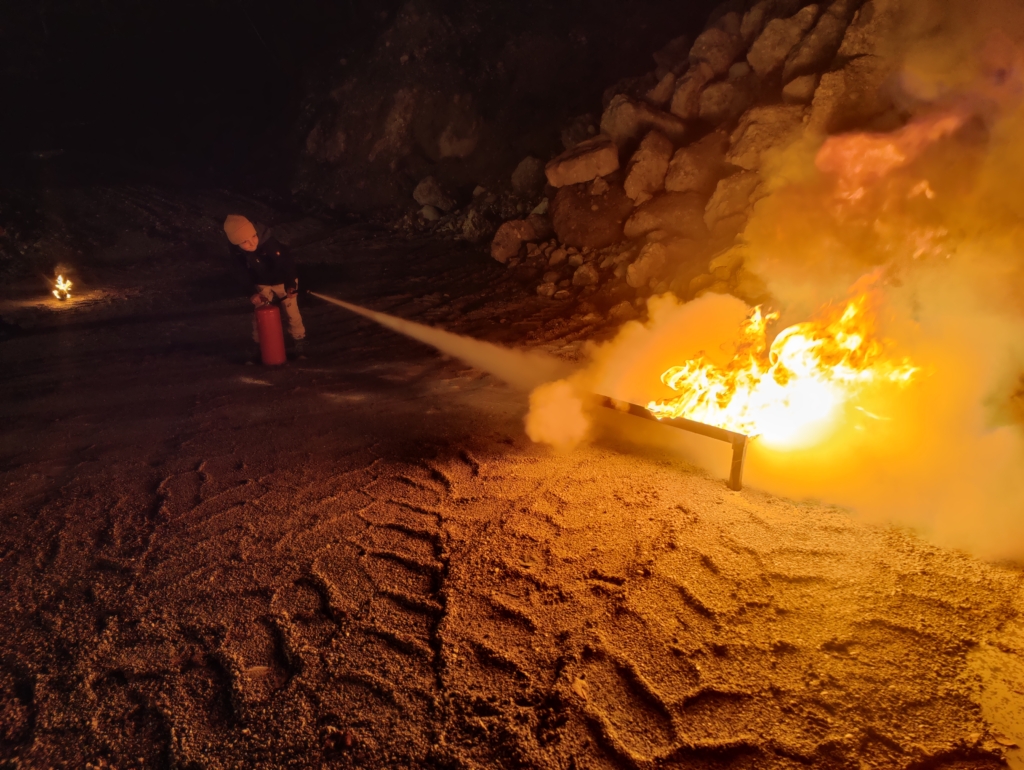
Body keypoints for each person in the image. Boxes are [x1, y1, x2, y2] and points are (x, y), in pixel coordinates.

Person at [223, 215, 306, 355]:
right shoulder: (237, 253)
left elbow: (288, 265)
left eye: (253, 236)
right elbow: (241, 273)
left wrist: (291, 285)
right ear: (236, 243)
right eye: (245, 242)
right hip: (261, 283)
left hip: (283, 281)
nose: (251, 243)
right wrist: (251, 293)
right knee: (259, 314)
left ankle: (299, 340)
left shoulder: (270, 244)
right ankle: (259, 343)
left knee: (291, 312)